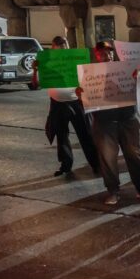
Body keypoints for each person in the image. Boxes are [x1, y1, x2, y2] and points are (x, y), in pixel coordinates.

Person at [85, 42, 140, 205]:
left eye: (109, 52)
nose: (106, 55)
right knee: (108, 159)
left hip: (128, 119)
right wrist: (81, 92)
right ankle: (113, 191)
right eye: (102, 53)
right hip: (104, 122)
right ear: (96, 55)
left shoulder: (125, 69)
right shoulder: (89, 74)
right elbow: (85, 95)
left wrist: (138, 79)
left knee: (134, 155)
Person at [43, 36, 99, 177]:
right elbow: (39, 81)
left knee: (86, 134)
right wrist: (37, 68)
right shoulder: (47, 61)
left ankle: (96, 164)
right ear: (54, 48)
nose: (63, 50)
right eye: (59, 48)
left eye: (65, 47)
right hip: (57, 103)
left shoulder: (76, 59)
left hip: (76, 101)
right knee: (61, 136)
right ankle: (65, 165)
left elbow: (87, 76)